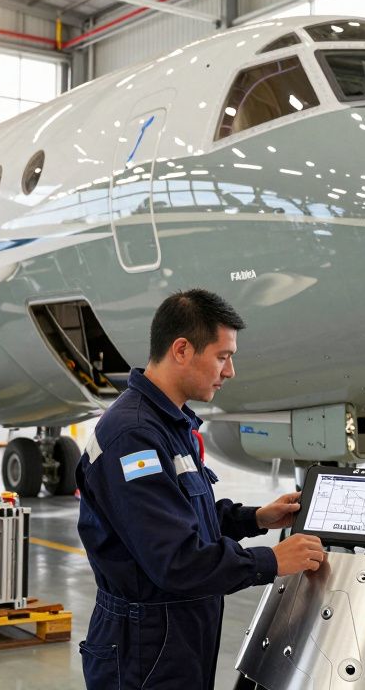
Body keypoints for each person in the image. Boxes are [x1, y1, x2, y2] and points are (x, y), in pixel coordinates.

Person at [76, 289, 326, 689]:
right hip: (144, 646)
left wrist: (255, 518)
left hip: (174, 634)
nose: (229, 372)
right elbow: (176, 561)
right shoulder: (134, 437)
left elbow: (183, 514)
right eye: (223, 356)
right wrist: (271, 560)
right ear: (181, 349)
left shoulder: (170, 424)